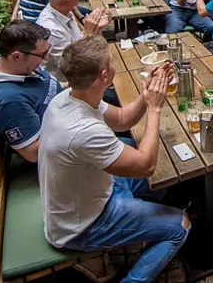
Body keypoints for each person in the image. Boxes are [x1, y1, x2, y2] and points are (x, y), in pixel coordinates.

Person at [38, 36, 190, 282]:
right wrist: (154, 109)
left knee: (165, 174)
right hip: (82, 225)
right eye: (111, 61)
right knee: (180, 225)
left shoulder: (70, 97)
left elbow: (121, 119)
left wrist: (146, 93)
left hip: (94, 192)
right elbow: (146, 165)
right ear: (104, 76)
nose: (114, 63)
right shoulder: (83, 130)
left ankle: (143, 225)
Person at [0, 20, 58, 162]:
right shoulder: (9, 101)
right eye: (42, 54)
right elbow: (33, 152)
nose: (46, 58)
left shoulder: (23, 68)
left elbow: (52, 88)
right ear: (17, 56)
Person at [36, 0, 112, 82]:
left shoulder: (64, 11)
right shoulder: (50, 28)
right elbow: (73, 68)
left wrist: (96, 28)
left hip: (82, 74)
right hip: (68, 85)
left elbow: (77, 41)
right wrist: (89, 33)